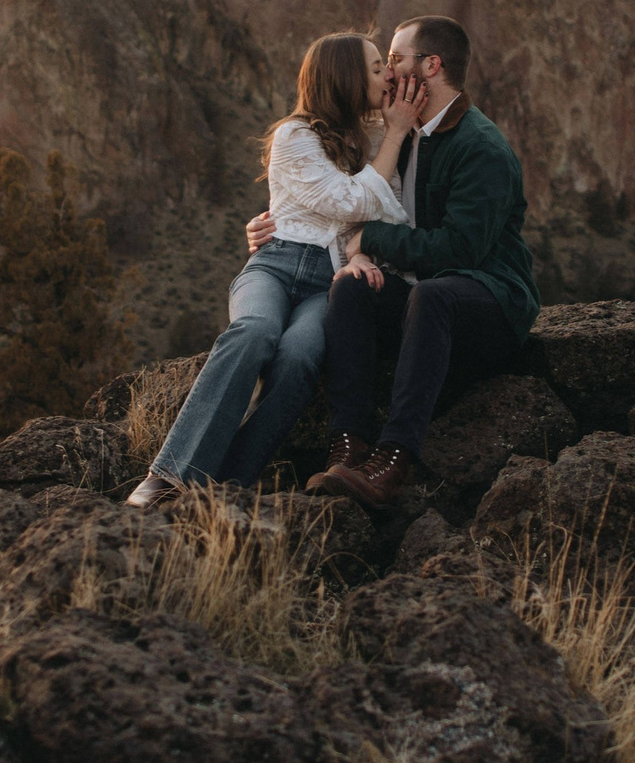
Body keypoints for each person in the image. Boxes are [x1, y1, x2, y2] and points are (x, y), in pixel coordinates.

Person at [247, 14, 539, 509]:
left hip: (491, 300)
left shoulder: (480, 146)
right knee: (351, 288)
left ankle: (393, 459)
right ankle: (349, 443)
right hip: (425, 300)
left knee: (432, 293)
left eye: (396, 60)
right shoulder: (398, 134)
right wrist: (272, 227)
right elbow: (340, 195)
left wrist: (369, 238)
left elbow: (459, 250)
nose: (387, 73)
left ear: (430, 66)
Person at [124, 32, 419, 506]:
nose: (387, 74)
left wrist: (362, 248)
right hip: (275, 266)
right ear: (344, 77)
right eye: (375, 66)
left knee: (300, 358)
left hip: (329, 280)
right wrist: (395, 142)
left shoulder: (382, 137)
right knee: (255, 331)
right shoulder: (294, 136)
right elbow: (348, 203)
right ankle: (168, 477)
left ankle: (227, 487)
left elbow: (390, 216)